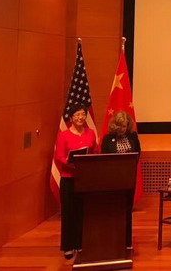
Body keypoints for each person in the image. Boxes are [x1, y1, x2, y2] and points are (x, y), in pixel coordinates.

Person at [54, 105, 99, 260]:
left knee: (83, 212)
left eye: (83, 114)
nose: (80, 117)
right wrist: (70, 163)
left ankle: (80, 243)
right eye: (77, 115)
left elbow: (95, 151)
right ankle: (68, 246)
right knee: (68, 212)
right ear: (71, 118)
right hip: (69, 178)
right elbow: (59, 156)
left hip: (85, 179)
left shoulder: (90, 133)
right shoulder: (64, 135)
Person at [100, 111, 141, 248]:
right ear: (115, 125)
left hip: (129, 178)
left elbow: (138, 153)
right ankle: (113, 239)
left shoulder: (132, 136)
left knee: (127, 209)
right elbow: (104, 158)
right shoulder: (108, 138)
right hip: (113, 180)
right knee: (115, 210)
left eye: (125, 126)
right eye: (120, 126)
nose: (123, 129)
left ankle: (127, 241)